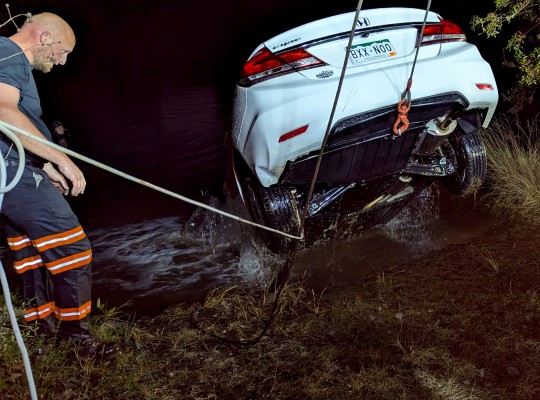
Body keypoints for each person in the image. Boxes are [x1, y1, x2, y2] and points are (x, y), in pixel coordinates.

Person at [0, 12, 118, 359]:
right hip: (11, 172)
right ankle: (76, 339)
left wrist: (44, 165)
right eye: (62, 51)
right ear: (45, 38)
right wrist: (62, 159)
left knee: (28, 250)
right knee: (72, 248)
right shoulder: (8, 52)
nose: (62, 61)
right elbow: (3, 112)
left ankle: (39, 330)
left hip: (13, 169)